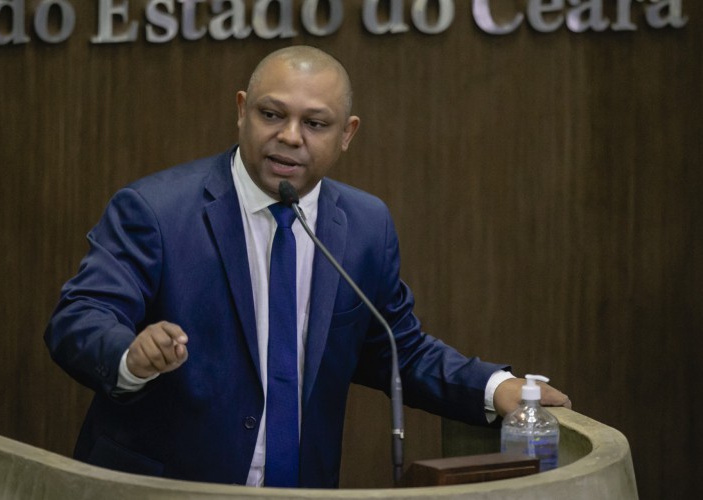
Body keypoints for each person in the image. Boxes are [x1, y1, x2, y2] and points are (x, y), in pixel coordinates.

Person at [44, 45, 570, 489]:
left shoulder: (364, 225)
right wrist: (130, 357)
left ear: (347, 134)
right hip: (165, 488)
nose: (290, 136)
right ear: (242, 110)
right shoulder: (156, 210)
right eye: (271, 115)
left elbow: (395, 347)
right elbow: (79, 318)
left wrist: (495, 387)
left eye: (314, 123)